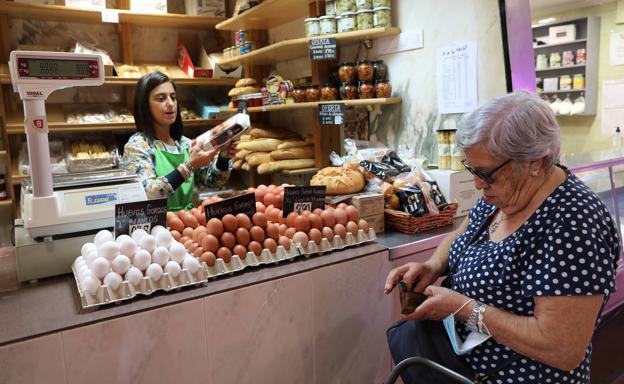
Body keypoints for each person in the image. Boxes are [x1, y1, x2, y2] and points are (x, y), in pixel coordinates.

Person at [385, 92, 620, 383]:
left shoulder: (572, 222)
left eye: (486, 173)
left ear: (534, 162)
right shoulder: (502, 194)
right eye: (472, 169)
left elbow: (562, 348)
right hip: (456, 366)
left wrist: (462, 308)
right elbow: (465, 233)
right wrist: (433, 266)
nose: (477, 183)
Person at [121, 72, 233, 211]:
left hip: (188, 224)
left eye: (173, 97)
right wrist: (189, 165)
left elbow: (214, 182)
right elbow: (150, 193)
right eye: (161, 98)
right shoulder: (137, 146)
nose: (170, 103)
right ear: (145, 105)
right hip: (156, 227)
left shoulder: (184, 144)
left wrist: (223, 157)